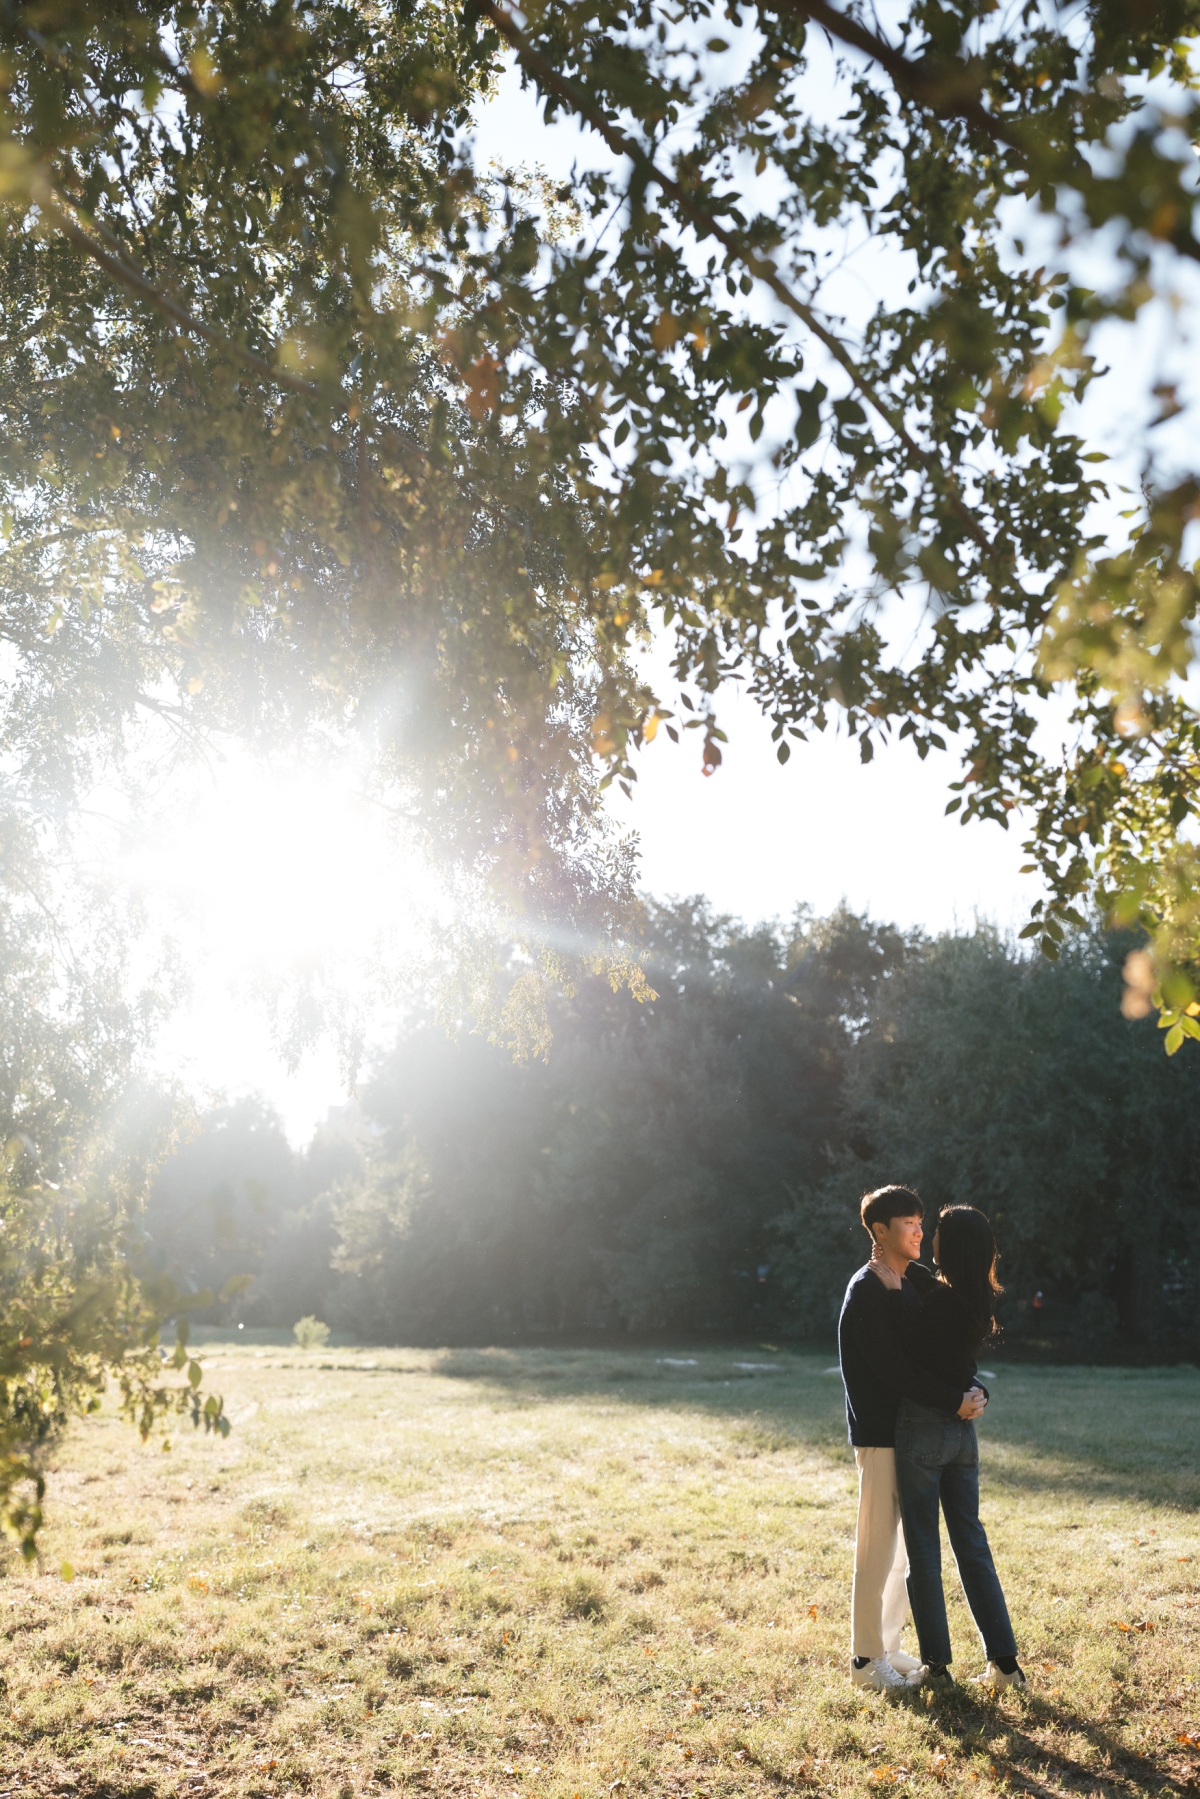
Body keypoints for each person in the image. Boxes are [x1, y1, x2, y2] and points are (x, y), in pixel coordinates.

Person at [838, 1185, 988, 1694]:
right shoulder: (867, 1288)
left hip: (914, 1436)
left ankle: (889, 1644)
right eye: (909, 1222)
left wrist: (971, 1388)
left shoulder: (910, 1281)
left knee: (902, 1552)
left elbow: (946, 1347)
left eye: (922, 1221)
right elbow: (893, 1367)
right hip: (881, 1434)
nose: (921, 1231)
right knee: (876, 1548)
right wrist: (953, 1401)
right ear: (880, 1231)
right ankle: (864, 1659)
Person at [873, 1203, 1026, 1692]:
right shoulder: (974, 1296)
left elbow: (905, 1354)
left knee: (924, 1548)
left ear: (952, 1245)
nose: (929, 1236)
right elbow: (953, 1359)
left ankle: (937, 1669)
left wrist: (895, 1289)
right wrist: (977, 1390)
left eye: (936, 1231)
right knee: (972, 1545)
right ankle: (1005, 1666)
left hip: (925, 1430)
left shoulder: (938, 1302)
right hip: (963, 1437)